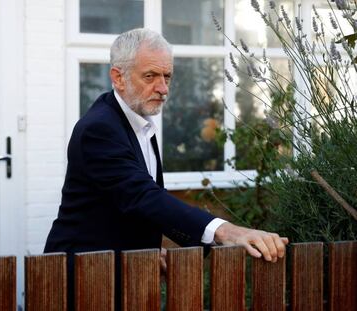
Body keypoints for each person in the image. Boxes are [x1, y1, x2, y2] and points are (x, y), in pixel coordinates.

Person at [44, 28, 288, 309]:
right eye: (150, 76)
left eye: (167, 76)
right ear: (118, 77)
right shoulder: (99, 129)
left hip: (123, 274)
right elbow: (141, 195)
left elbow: (127, 204)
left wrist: (150, 247)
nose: (163, 88)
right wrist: (227, 232)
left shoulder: (139, 121)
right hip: (84, 279)